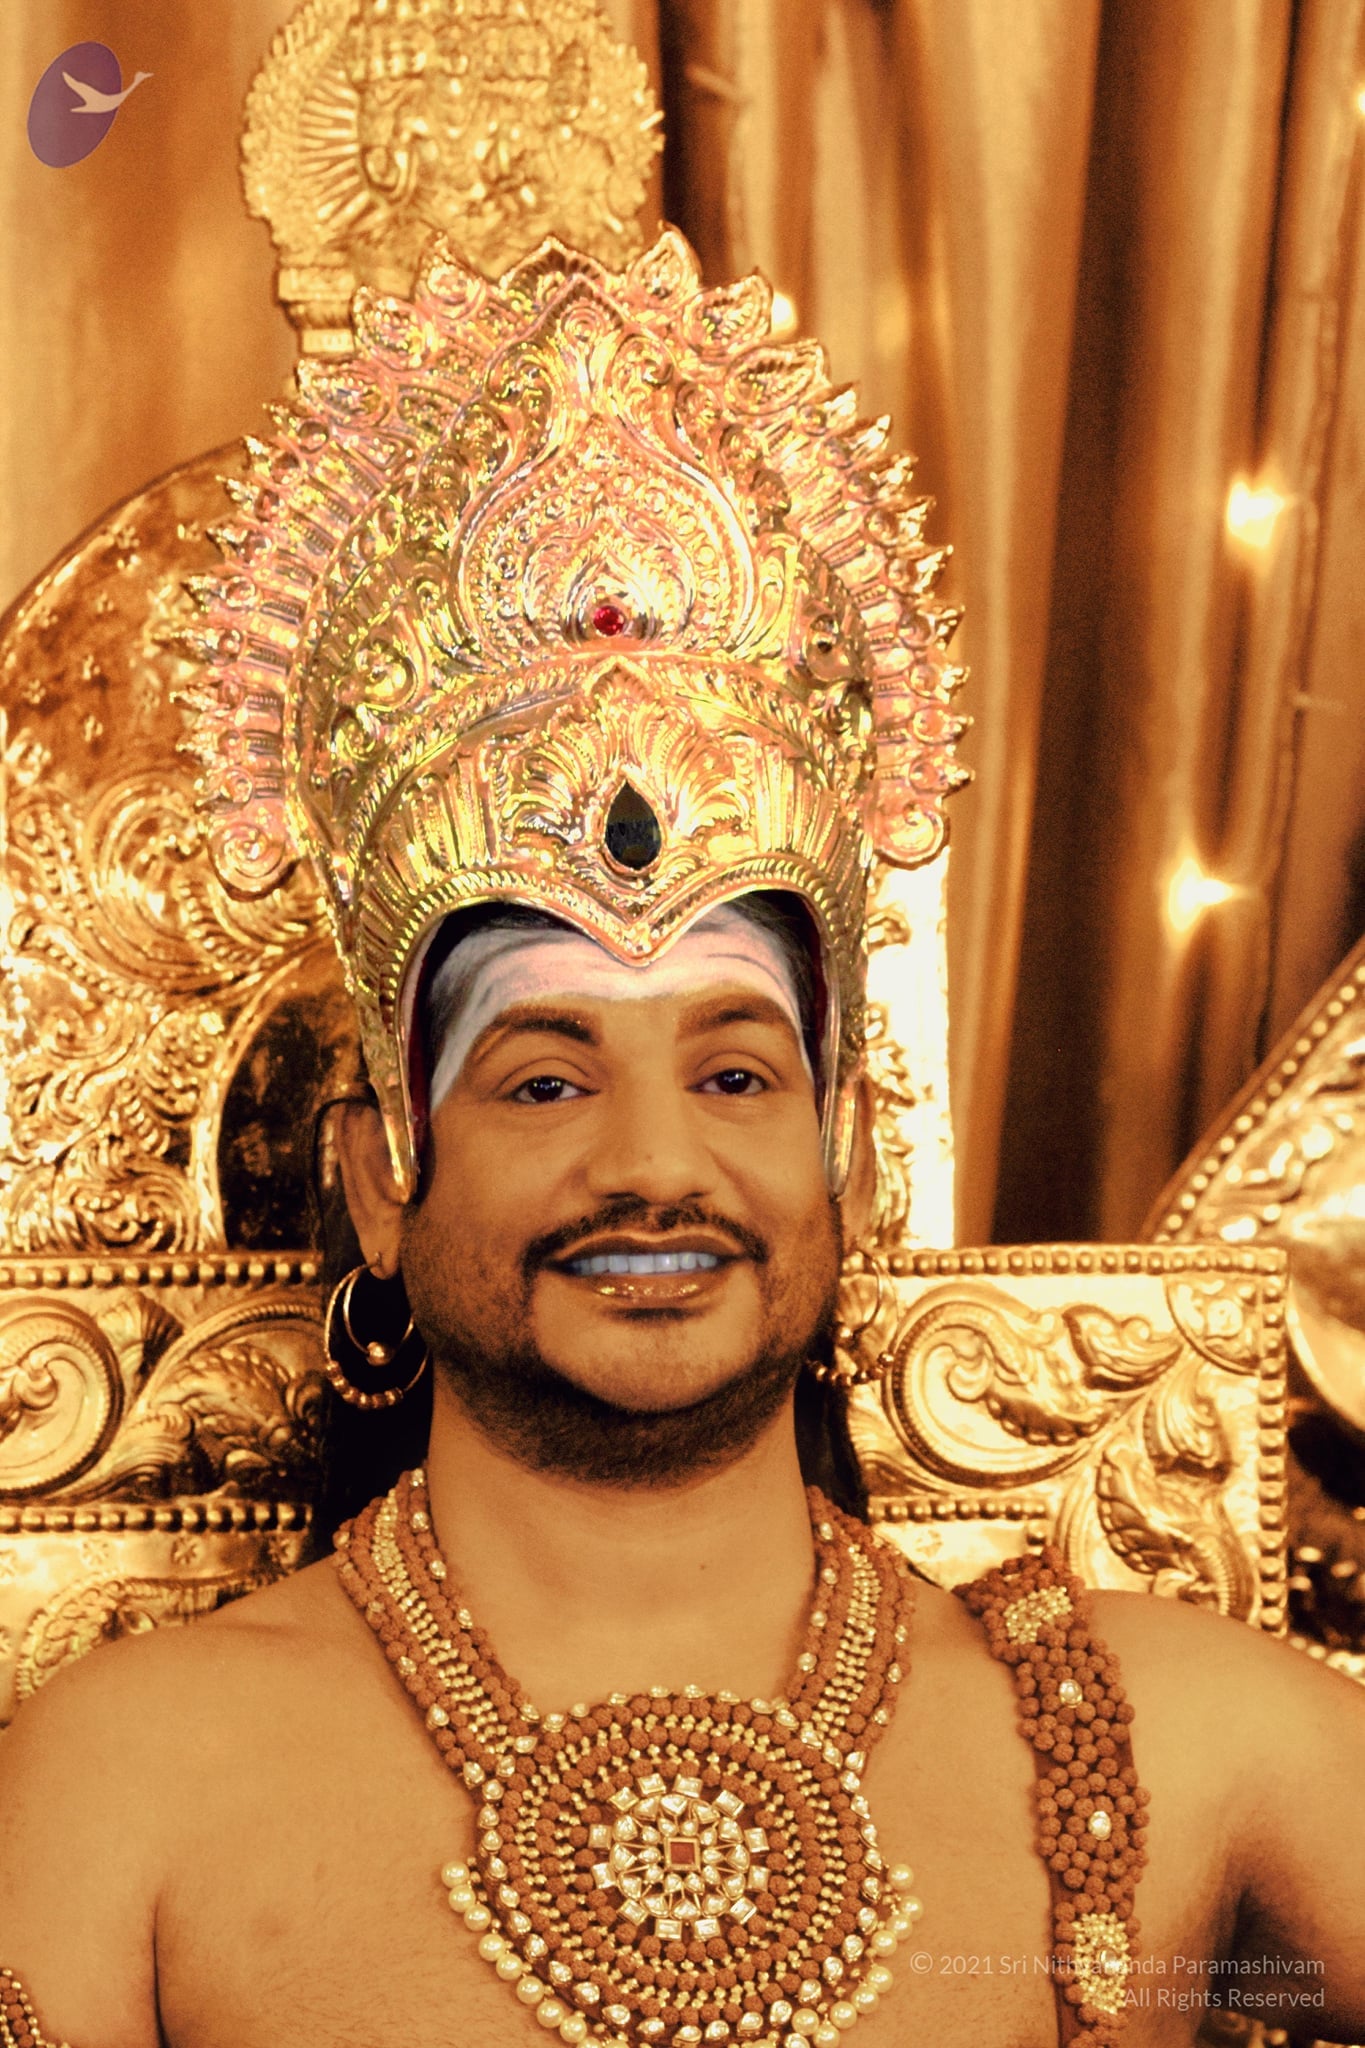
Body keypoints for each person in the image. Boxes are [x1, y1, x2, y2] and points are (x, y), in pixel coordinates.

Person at [2, 213, 1364, 2048]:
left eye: (733, 1075)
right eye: (544, 1079)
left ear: (847, 1157)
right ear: (379, 1180)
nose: (653, 1168)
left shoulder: (1182, 1743)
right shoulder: (128, 1788)